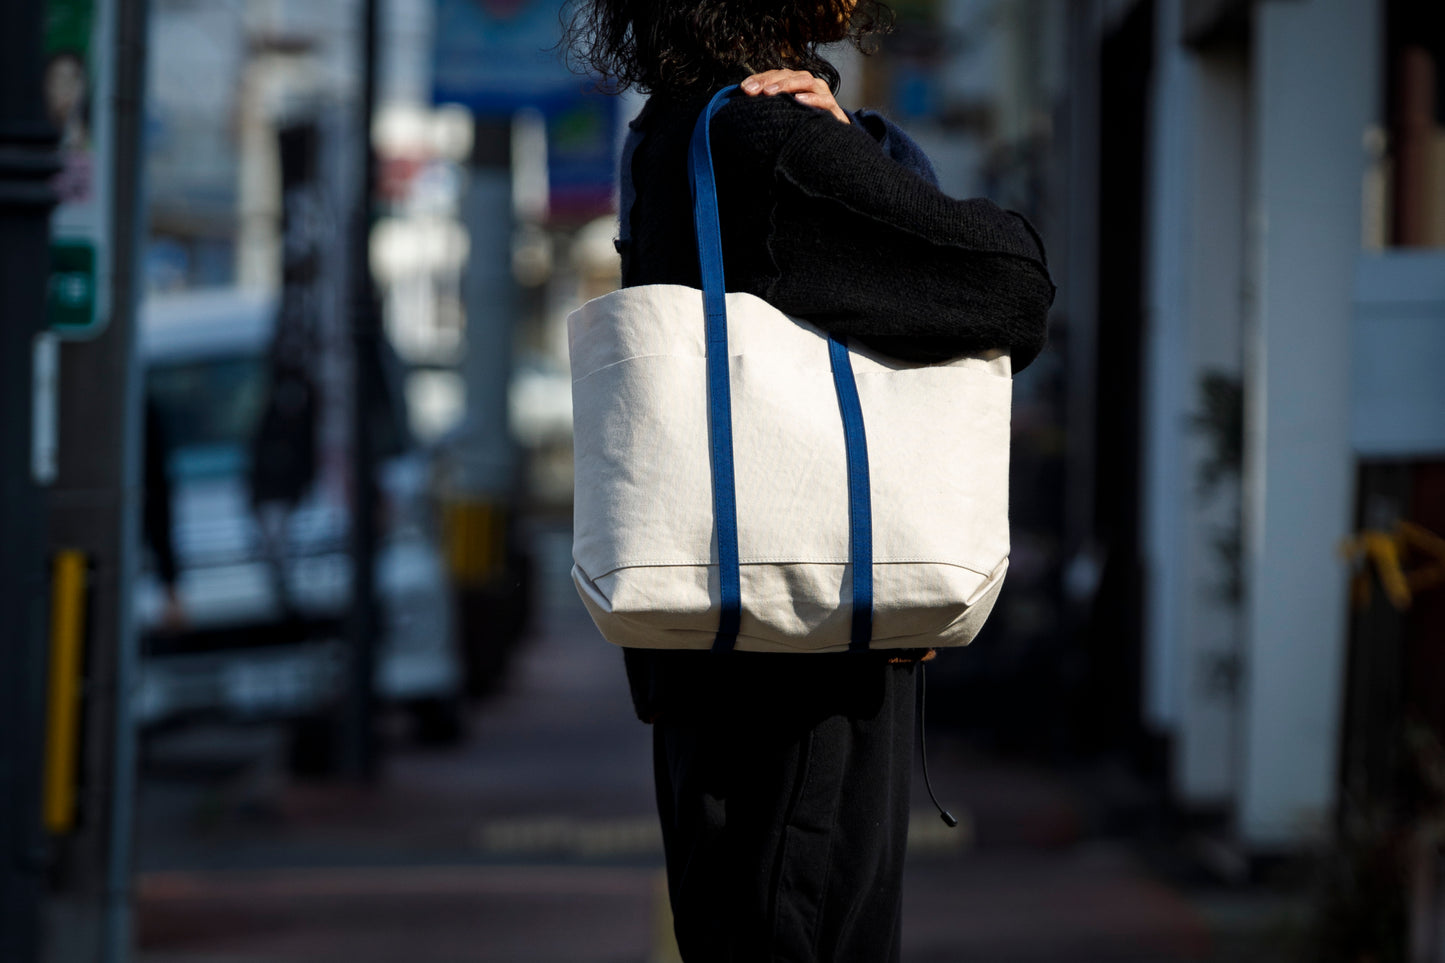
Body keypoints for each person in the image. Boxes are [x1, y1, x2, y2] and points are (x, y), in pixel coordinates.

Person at [568, 3, 1055, 960]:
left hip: (708, 652)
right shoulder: (770, 138)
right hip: (809, 666)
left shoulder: (667, 127)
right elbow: (1010, 283)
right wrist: (857, 149)